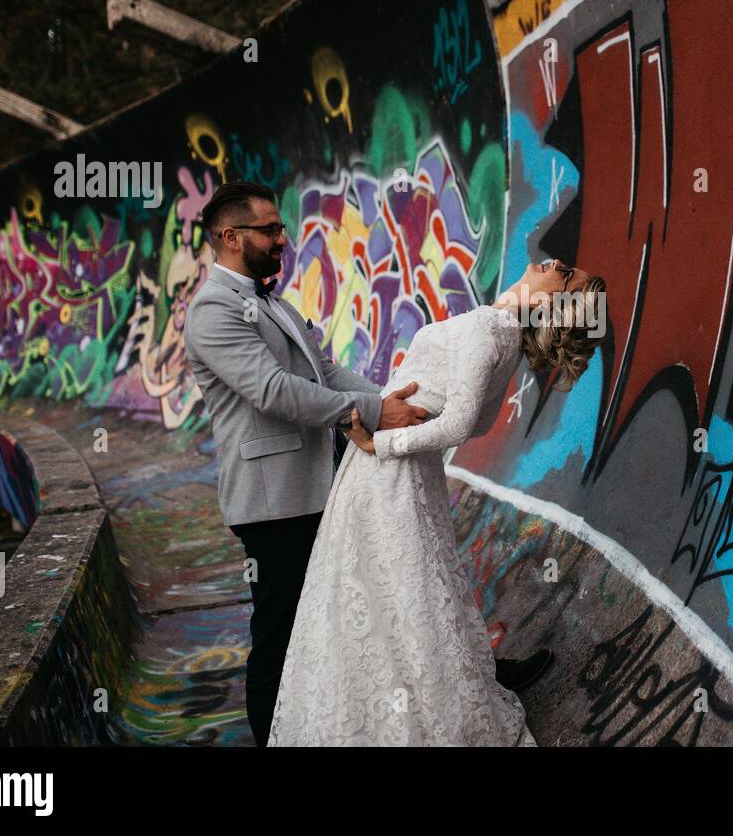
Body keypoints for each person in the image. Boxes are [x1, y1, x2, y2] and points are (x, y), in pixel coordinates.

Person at [182, 180, 555, 745]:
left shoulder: (272, 302)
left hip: (320, 483)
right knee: (283, 634)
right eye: (271, 230)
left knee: (389, 588)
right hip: (273, 501)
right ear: (231, 237)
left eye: (281, 228)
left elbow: (324, 372)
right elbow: (274, 391)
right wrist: (377, 411)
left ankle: (470, 684)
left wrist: (399, 396)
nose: (283, 239)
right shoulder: (212, 312)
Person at [268, 257, 606, 745]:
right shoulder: (506, 336)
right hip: (405, 471)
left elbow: (460, 426)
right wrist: (407, 406)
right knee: (400, 593)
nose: (552, 261)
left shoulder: (492, 330)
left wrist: (380, 443)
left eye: (565, 272)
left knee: (375, 591)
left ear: (555, 298)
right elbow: (480, 421)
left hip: (388, 469)